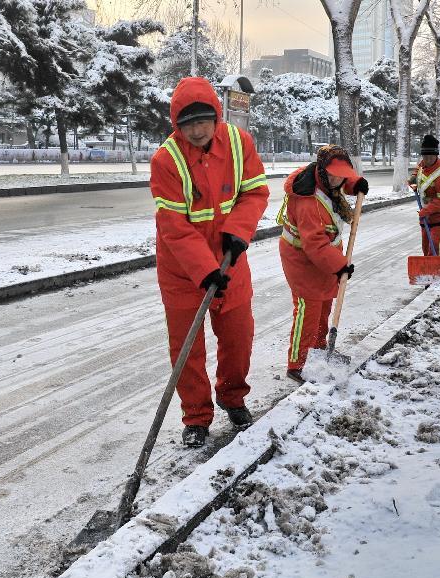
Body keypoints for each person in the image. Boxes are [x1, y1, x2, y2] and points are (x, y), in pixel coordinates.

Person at [150, 77, 269, 448]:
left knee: (238, 338)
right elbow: (174, 226)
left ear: (216, 117)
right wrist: (204, 270)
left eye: (204, 121)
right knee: (188, 349)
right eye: (188, 124)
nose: (198, 130)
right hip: (183, 271)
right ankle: (196, 417)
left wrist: (239, 230)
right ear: (176, 125)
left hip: (231, 260)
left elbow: (255, 192)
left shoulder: (239, 143)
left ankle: (233, 398)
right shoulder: (166, 160)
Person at [277, 145, 368, 384]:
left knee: (324, 304)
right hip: (302, 259)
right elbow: (315, 243)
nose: (339, 179)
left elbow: (338, 182)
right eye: (333, 173)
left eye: (343, 174)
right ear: (321, 170)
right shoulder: (307, 201)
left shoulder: (327, 181)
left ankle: (317, 350)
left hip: (323, 256)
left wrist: (355, 183)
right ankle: (297, 363)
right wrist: (340, 265)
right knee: (309, 308)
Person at [409, 134, 440, 255]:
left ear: (436, 155)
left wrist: (425, 211)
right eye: (425, 156)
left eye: (431, 156)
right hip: (426, 216)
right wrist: (414, 177)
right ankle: (427, 272)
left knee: (435, 248)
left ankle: (437, 273)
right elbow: (419, 167)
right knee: (426, 249)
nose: (428, 159)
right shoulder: (423, 164)